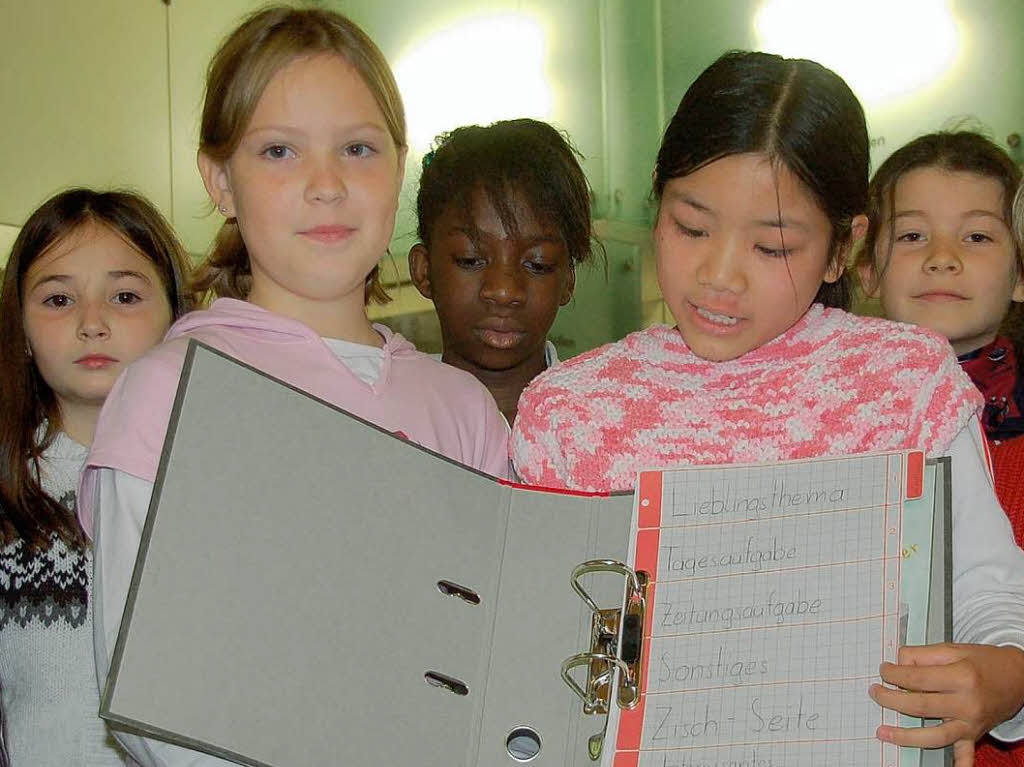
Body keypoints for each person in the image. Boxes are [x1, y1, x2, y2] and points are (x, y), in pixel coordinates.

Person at [511, 51, 1024, 764]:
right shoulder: (569, 412)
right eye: (690, 227)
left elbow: (986, 585)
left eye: (772, 244)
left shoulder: (905, 380)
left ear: (843, 247)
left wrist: (1002, 674)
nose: (721, 275)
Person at [77, 8, 508, 765]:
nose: (327, 184)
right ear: (220, 181)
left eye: (358, 148)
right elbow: (155, 701)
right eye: (279, 150)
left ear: (396, 169)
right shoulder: (171, 396)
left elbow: (497, 653)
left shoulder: (462, 408)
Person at [0, 188, 190, 766]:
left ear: (176, 319)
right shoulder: (9, 495)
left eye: (125, 295)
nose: (92, 323)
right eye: (58, 300)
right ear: (22, 333)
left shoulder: (212, 486)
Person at [409, 119, 595, 424]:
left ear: (567, 281)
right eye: (471, 260)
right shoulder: (386, 424)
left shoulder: (604, 429)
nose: (504, 291)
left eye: (538, 264)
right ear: (424, 270)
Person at [856, 131, 1024, 441]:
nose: (942, 258)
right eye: (912, 236)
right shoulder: (832, 416)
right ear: (870, 274)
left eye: (977, 237)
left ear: (1020, 277)